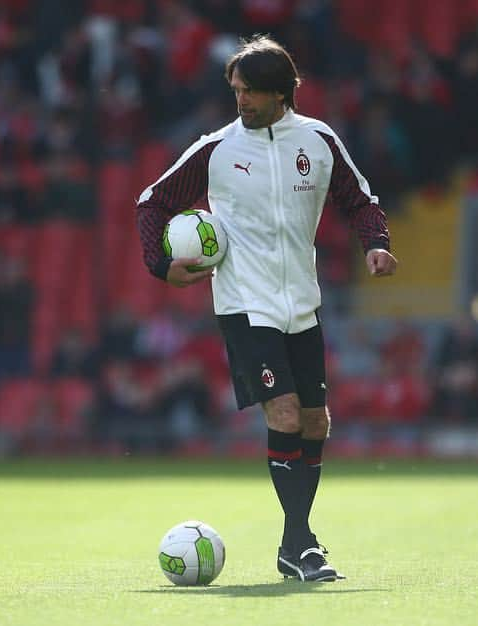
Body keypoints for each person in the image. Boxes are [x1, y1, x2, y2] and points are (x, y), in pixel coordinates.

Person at [136, 35, 397, 582]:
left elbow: (360, 200)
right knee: (282, 414)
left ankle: (292, 545)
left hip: (303, 302)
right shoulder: (217, 149)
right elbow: (152, 202)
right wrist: (162, 264)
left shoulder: (319, 141)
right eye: (236, 90)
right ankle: (301, 544)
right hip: (244, 303)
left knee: (315, 421)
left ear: (283, 93)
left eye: (251, 92)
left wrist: (376, 243)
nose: (241, 101)